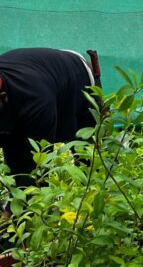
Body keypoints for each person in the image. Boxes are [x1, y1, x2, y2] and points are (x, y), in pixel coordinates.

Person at [0, 47, 96, 188]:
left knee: (88, 159)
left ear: (3, 99)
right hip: (33, 69)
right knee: (12, 153)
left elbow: (35, 168)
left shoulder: (35, 102)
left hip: (75, 74)